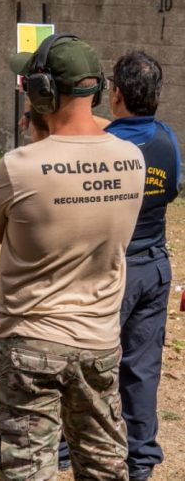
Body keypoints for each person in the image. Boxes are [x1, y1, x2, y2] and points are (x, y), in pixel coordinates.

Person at [0, 35, 146, 480]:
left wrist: (39, 137)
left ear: (42, 92)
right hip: (99, 343)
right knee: (104, 470)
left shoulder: (21, 165)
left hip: (29, 344)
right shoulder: (133, 159)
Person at [103, 51, 181, 480]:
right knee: (142, 368)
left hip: (113, 269)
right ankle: (141, 460)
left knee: (87, 361)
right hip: (155, 267)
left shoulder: (106, 148)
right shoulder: (167, 138)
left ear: (115, 95)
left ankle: (64, 446)